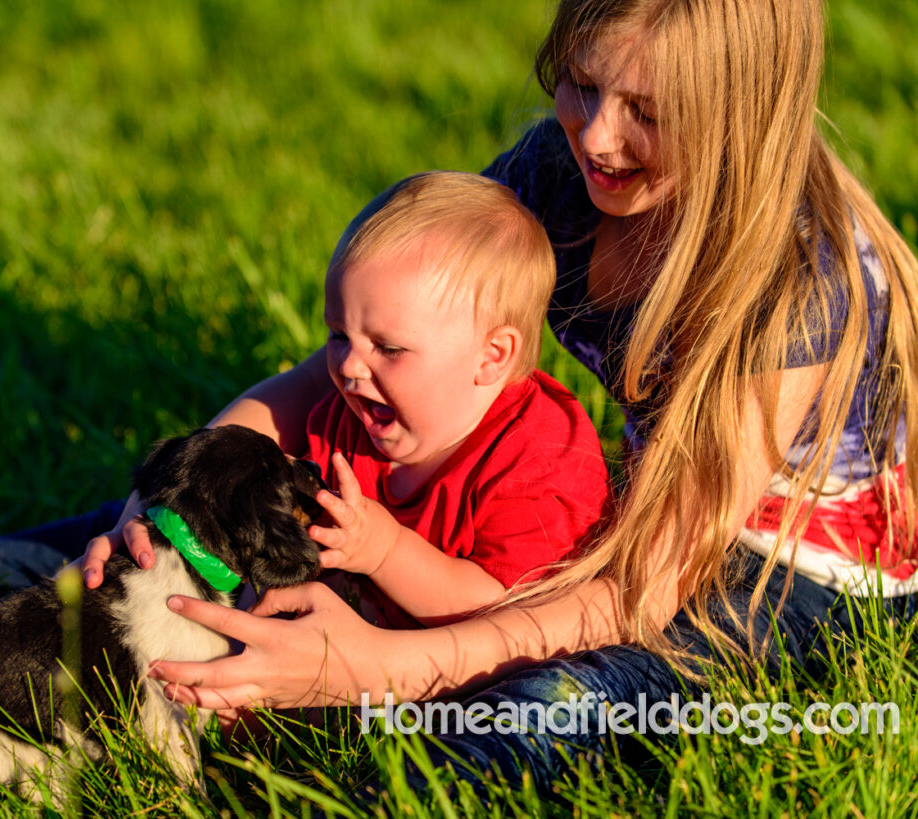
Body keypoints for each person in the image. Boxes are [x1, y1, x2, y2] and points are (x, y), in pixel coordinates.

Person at [87, 0, 918, 789]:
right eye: (582, 84)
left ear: (745, 117)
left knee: (537, 710)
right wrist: (168, 506)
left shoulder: (798, 283)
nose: (597, 135)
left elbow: (650, 584)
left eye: (648, 113)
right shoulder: (560, 176)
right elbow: (318, 382)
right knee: (172, 537)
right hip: (659, 505)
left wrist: (381, 666)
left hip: (792, 570)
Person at [303, 171, 610, 626]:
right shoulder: (348, 425)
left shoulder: (540, 462)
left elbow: (504, 613)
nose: (349, 365)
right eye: (338, 335)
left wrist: (383, 550)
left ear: (491, 357)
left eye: (388, 348)